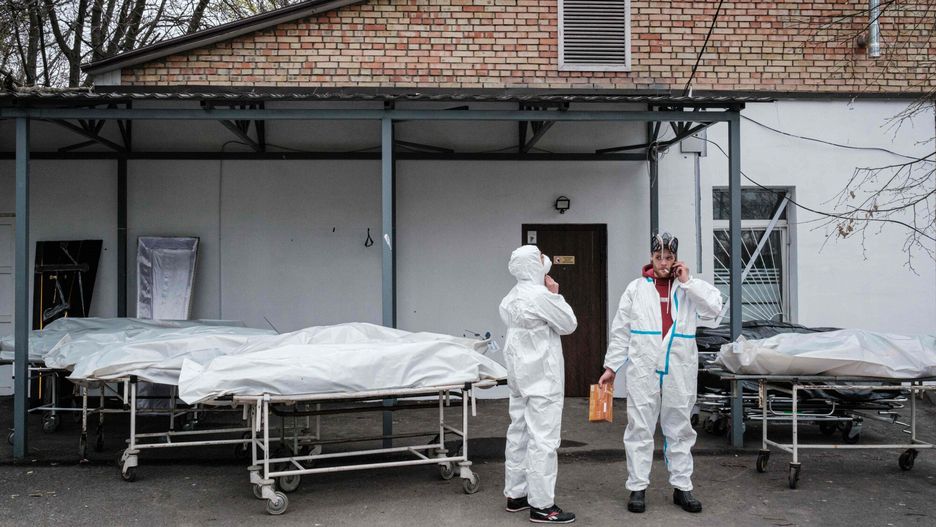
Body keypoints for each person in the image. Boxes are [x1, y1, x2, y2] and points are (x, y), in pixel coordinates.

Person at [597, 232, 722, 514]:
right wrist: (611, 367)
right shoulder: (636, 289)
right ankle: (638, 488)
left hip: (679, 367)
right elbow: (620, 331)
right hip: (644, 366)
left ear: (676, 259)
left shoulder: (689, 289)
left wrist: (688, 282)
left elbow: (715, 310)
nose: (663, 262)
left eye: (669, 257)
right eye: (658, 257)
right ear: (651, 258)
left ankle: (682, 488)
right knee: (640, 426)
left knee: (679, 426)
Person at [500, 245, 578, 524]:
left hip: (519, 376)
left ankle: (516, 494)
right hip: (542, 378)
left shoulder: (511, 297)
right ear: (534, 265)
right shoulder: (541, 296)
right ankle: (543, 505)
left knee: (518, 432)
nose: (546, 259)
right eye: (541, 256)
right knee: (543, 439)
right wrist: (555, 295)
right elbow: (569, 324)